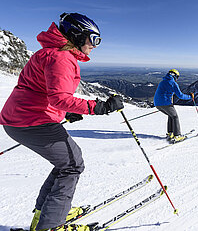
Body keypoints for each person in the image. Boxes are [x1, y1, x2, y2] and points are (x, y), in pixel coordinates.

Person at [0, 13, 124, 231]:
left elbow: (40, 90)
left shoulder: (50, 53)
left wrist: (63, 113)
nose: (95, 46)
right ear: (77, 35)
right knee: (73, 164)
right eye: (93, 39)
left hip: (21, 117)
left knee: (66, 163)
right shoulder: (61, 58)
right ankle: (52, 224)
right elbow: (59, 98)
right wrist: (100, 107)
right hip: (31, 120)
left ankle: (47, 215)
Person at [153, 69, 193, 143]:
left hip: (157, 104)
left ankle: (170, 133)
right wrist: (190, 97)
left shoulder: (162, 81)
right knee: (175, 117)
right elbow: (180, 95)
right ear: (175, 76)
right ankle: (177, 135)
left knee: (171, 116)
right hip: (166, 103)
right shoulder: (173, 83)